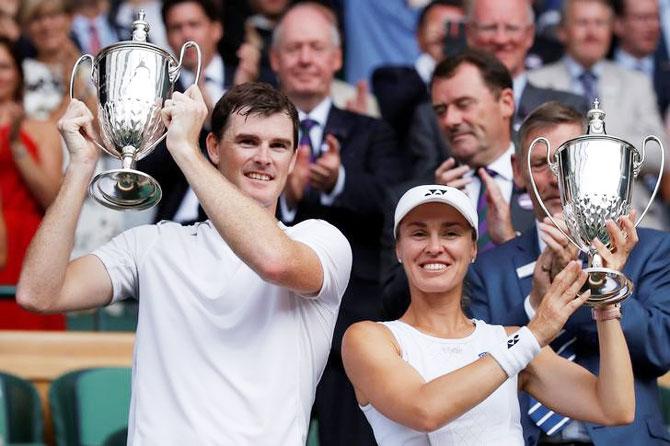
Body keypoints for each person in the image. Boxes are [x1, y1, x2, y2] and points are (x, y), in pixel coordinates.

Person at [17, 82, 352, 444]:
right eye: (247, 142)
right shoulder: (154, 245)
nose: (264, 158)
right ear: (214, 148)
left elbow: (274, 261)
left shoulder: (321, 240)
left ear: (291, 158)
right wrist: (81, 167)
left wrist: (185, 151)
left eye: (279, 146)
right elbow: (39, 293)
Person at [342, 184, 635, 446]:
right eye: (419, 233)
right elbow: (425, 410)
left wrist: (606, 298)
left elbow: (614, 407)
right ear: (399, 249)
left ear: (472, 248)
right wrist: (533, 335)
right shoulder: (370, 338)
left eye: (450, 233)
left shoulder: (509, 340)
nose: (434, 247)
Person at [468, 101, 670, 445]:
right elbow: (479, 371)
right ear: (519, 172)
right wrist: (536, 307)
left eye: (569, 163)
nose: (555, 178)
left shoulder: (649, 249)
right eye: (540, 164)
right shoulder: (488, 269)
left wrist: (595, 283)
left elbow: (659, 349)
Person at [270, 3, 406, 445]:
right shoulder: (252, 132)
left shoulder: (372, 132)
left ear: (336, 58)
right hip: (269, 321)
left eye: (316, 47)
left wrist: (337, 182)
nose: (305, 58)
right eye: (293, 49)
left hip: (349, 330)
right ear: (275, 61)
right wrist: (284, 200)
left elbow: (391, 204)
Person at [381, 49, 535, 320]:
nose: (450, 120)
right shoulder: (408, 200)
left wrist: (510, 242)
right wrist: (434, 209)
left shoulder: (547, 186)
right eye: (441, 110)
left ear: (506, 102)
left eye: (464, 104)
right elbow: (391, 305)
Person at [528, 0, 670, 230]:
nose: (592, 32)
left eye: (599, 23)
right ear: (562, 31)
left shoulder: (636, 83)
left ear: (611, 29)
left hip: (635, 217)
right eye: (582, 23)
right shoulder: (538, 81)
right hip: (563, 218)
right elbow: (534, 150)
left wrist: (599, 145)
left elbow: (661, 152)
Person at [0, 37, 63, 329]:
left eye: (4, 66)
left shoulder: (41, 129)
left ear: (18, 74)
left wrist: (16, 146)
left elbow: (52, 198)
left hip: (28, 244)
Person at [465, 0, 588, 128]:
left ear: (530, 34)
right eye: (489, 27)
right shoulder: (449, 106)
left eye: (511, 28)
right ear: (469, 34)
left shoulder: (568, 109)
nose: (501, 39)